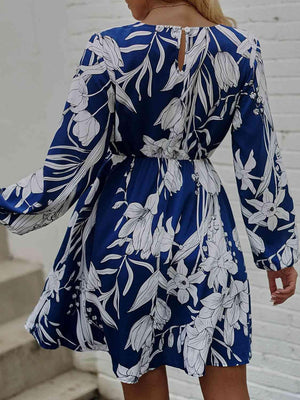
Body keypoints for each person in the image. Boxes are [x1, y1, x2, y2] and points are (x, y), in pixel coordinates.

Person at [0, 0, 299, 399]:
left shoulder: (108, 47)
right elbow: (259, 159)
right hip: (205, 227)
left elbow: (69, 161)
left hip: (126, 231)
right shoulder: (241, 49)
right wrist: (278, 251)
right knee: (226, 374)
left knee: (140, 380)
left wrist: (9, 203)